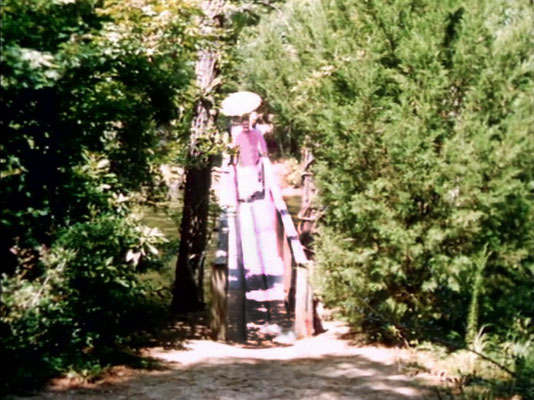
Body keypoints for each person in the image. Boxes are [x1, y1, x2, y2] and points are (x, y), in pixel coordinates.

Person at [232, 115, 268, 202]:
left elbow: (262, 144)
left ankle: (249, 193)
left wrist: (264, 154)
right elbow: (236, 147)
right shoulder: (239, 135)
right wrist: (235, 158)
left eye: (247, 124)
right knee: (243, 176)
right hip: (243, 159)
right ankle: (244, 195)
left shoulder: (256, 133)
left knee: (252, 176)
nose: (245, 127)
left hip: (253, 158)